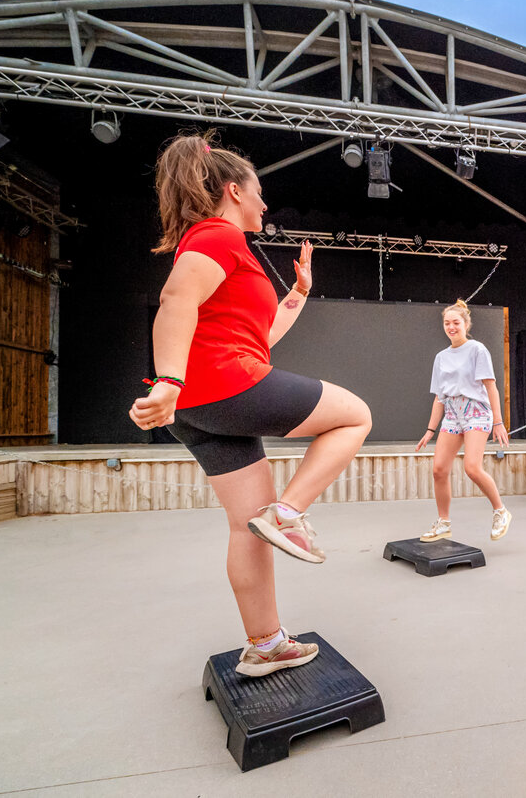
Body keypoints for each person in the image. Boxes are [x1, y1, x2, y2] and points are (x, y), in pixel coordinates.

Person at [129, 133, 372, 677]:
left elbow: (257, 337)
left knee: (247, 527)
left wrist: (298, 295)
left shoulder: (214, 242)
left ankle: (265, 644)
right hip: (221, 385)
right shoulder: (218, 234)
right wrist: (167, 377)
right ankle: (289, 514)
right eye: (259, 194)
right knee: (356, 415)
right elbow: (175, 300)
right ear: (234, 191)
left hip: (200, 407)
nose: (264, 205)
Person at [415, 300, 512, 542]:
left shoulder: (477, 349)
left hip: (476, 411)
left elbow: (491, 386)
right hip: (453, 413)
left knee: (472, 467)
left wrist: (498, 422)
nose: (451, 327)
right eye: (446, 323)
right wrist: (430, 430)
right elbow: (440, 397)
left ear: (466, 324)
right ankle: (443, 523)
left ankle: (501, 512)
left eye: (456, 322)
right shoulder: (441, 357)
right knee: (439, 469)